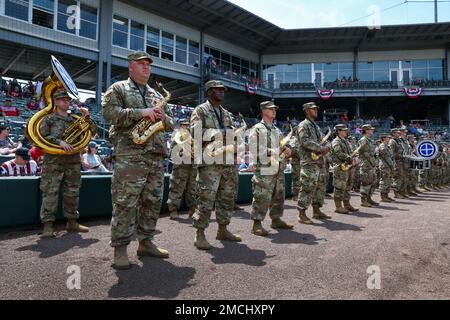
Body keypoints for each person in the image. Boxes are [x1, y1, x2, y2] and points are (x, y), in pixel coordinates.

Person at [103, 51, 174, 270]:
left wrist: (164, 118)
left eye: (148, 65)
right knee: (125, 203)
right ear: (130, 67)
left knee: (152, 202)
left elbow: (170, 124)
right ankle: (120, 249)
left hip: (155, 155)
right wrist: (141, 112)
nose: (146, 67)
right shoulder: (118, 89)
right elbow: (110, 114)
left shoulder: (154, 94)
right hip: (130, 155)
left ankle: (146, 242)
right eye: (141, 64)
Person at [189, 80, 241, 250]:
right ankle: (200, 234)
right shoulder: (200, 110)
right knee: (205, 198)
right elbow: (195, 132)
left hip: (226, 161)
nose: (221, 92)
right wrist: (220, 134)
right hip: (209, 162)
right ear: (209, 91)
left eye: (223, 90)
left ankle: (223, 229)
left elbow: (232, 133)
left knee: (226, 198)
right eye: (217, 90)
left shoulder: (226, 113)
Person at [38, 89, 96, 238]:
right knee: (50, 193)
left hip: (73, 161)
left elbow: (93, 131)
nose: (66, 102)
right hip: (53, 162)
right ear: (56, 102)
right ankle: (48, 225)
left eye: (68, 100)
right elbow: (41, 138)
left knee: (73, 193)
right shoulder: (48, 119)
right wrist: (59, 142)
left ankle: (72, 221)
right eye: (63, 100)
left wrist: (87, 116)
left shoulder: (75, 119)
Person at [248, 101, 293, 237]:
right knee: (262, 196)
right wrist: (274, 151)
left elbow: (283, 144)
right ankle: (256, 224)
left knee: (279, 195)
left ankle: (276, 219)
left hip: (278, 168)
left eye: (275, 109)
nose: (274, 111)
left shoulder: (276, 129)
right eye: (271, 109)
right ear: (263, 110)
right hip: (264, 169)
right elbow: (254, 148)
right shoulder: (256, 129)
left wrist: (288, 149)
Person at [296, 102, 332, 224]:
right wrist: (320, 148)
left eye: (316, 109)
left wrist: (327, 146)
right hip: (309, 162)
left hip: (319, 161)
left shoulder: (315, 126)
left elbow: (324, 139)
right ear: (306, 111)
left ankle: (316, 211)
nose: (316, 110)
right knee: (307, 186)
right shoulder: (303, 125)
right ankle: (302, 213)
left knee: (320, 187)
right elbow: (304, 141)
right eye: (313, 109)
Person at [166, 119, 197, 220]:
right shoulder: (176, 136)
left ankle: (192, 209)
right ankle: (173, 210)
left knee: (192, 189)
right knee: (176, 188)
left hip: (192, 166)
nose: (186, 127)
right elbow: (172, 152)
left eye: (188, 125)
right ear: (180, 126)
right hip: (180, 167)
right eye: (184, 125)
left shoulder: (193, 136)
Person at [331, 124, 359, 214]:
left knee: (348, 186)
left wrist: (355, 158)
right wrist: (351, 159)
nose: (346, 132)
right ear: (338, 131)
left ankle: (347, 204)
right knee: (339, 187)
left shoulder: (346, 141)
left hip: (348, 166)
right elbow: (339, 154)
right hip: (340, 167)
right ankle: (338, 206)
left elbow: (351, 152)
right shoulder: (336, 142)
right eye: (344, 130)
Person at [358, 124, 379, 207]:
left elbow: (373, 153)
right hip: (366, 165)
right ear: (366, 130)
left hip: (371, 164)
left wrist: (375, 161)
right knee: (366, 183)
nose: (372, 130)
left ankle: (369, 198)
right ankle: (363, 200)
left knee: (373, 182)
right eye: (370, 129)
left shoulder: (370, 140)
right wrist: (373, 162)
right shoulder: (363, 140)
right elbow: (366, 153)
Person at [377, 134, 396, 202]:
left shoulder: (387, 146)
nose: (389, 138)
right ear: (384, 138)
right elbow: (386, 158)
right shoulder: (382, 146)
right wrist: (392, 165)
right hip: (385, 166)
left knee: (388, 180)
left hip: (388, 166)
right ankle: (383, 196)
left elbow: (390, 157)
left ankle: (386, 195)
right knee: (384, 181)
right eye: (387, 137)